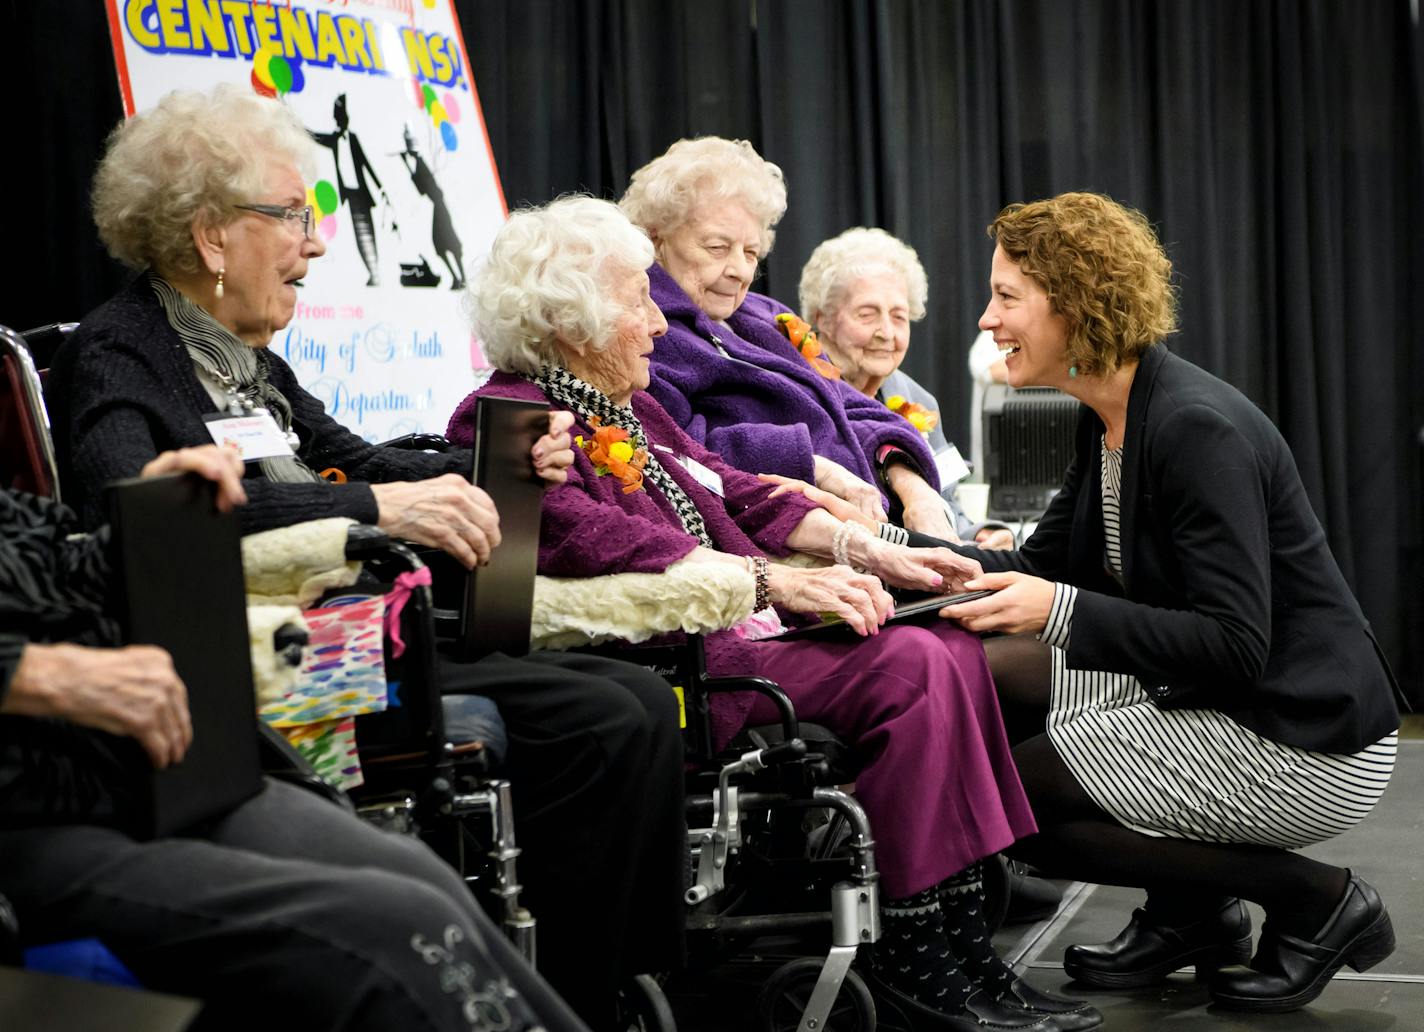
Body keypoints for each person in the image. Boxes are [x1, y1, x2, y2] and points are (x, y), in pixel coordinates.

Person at [45, 85, 683, 1031]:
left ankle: (618, 981)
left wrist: (496, 463)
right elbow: (133, 508)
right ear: (213, 237)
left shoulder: (248, 360)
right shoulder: (122, 354)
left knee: (634, 700)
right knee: (600, 719)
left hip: (373, 619)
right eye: (295, 216)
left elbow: (365, 455)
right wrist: (381, 502)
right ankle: (574, 996)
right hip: (283, 654)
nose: (317, 242)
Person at [449, 195, 1104, 1032]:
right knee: (912, 667)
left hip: (746, 636)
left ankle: (961, 943)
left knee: (950, 639)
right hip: (678, 663)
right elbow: (591, 541)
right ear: (571, 320)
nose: (657, 320)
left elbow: (743, 492)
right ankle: (914, 953)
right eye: (636, 299)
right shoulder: (504, 420)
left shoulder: (631, 409)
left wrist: (874, 553)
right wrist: (771, 583)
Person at [942, 192, 1400, 1012]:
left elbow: (1234, 645)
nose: (986, 319)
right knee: (990, 674)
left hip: (1302, 728)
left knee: (1020, 805)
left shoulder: (1194, 428)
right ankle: (1191, 913)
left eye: (1007, 297)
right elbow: (1034, 564)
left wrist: (1055, 609)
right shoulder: (1112, 414)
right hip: (1221, 694)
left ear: (1076, 305)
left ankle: (1318, 900)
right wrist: (870, 549)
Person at [0, 443, 587, 1032]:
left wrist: (159, 516)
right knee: (394, 921)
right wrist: (28, 673)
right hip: (31, 810)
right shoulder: (124, 359)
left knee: (418, 876)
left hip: (150, 762)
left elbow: (60, 581)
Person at [619, 137, 960, 541]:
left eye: (750, 252)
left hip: (877, 526)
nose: (739, 271)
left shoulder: (766, 317)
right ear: (656, 240)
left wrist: (914, 488)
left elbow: (851, 406)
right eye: (717, 247)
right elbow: (678, 449)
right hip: (784, 543)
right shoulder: (645, 334)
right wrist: (814, 464)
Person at [799, 227, 1015, 549]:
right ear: (823, 319)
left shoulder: (918, 401)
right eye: (867, 314)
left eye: (899, 317)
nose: (887, 332)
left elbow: (949, 500)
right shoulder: (801, 392)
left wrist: (981, 535)